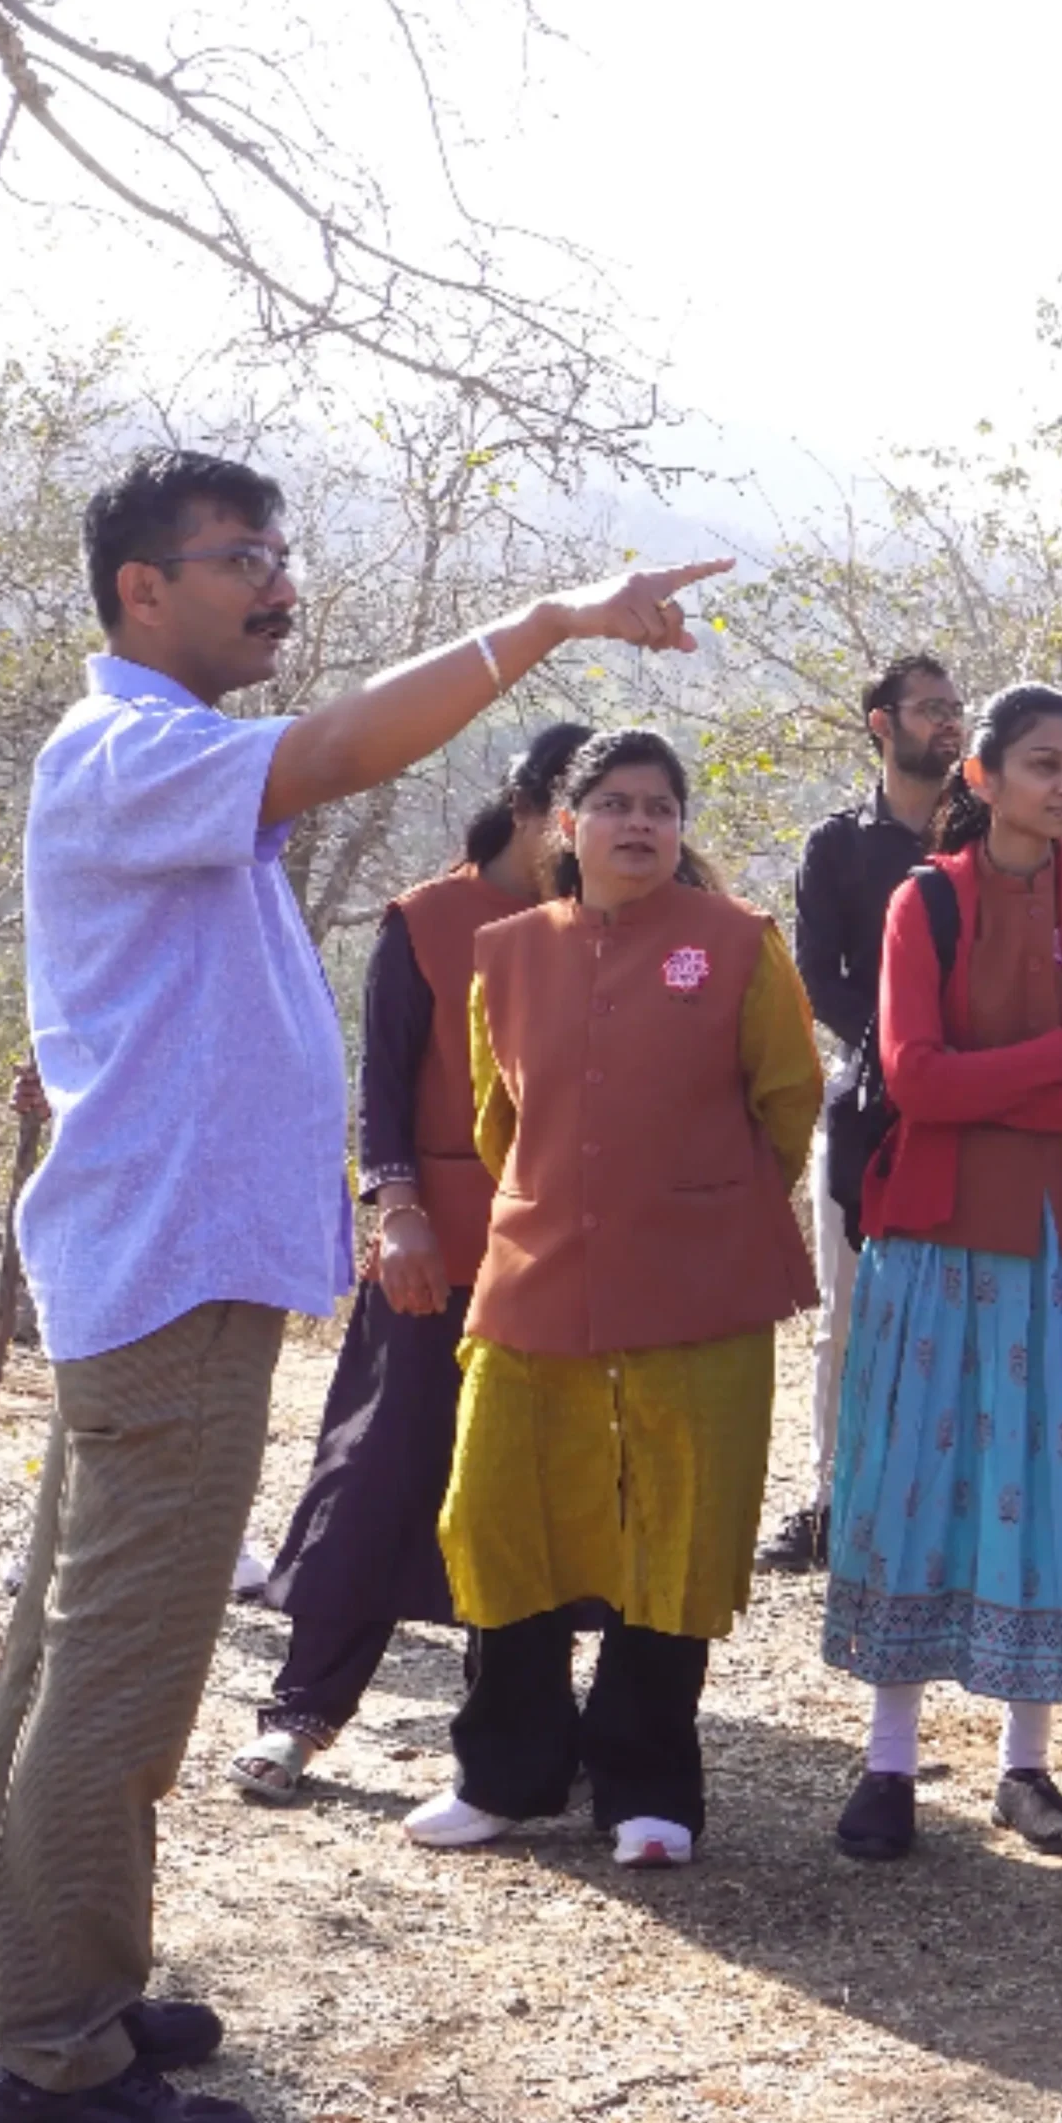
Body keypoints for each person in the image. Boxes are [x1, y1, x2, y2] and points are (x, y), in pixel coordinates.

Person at [0, 447, 725, 2123]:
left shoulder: (154, 758)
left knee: (64, 1651)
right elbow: (342, 748)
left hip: (156, 1263)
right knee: (123, 1681)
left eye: (282, 552)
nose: (277, 583)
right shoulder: (134, 747)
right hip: (167, 1275)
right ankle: (56, 2062)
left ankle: (31, 1981)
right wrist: (554, 621)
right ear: (142, 590)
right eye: (241, 558)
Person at [405, 729, 822, 1869]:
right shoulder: (505, 951)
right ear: (565, 824)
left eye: (661, 806)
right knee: (498, 1515)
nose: (640, 822)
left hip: (698, 1289)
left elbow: (787, 1101)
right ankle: (504, 1772)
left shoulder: (737, 943)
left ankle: (648, 1784)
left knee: (674, 1530)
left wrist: (696, 1205)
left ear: (681, 829)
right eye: (615, 802)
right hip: (535, 1278)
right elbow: (497, 1121)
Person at [822, 684, 1062, 1864]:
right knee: (917, 1486)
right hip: (935, 1235)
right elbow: (913, 1079)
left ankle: (1023, 1768)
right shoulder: (922, 903)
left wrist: (1005, 1078)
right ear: (979, 777)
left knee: (1039, 1480)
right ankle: (887, 1764)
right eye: (1043, 764)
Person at [227, 723, 592, 1805]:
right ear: (529, 807)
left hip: (564, 1251)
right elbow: (382, 1084)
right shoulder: (426, 922)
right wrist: (396, 1210)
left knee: (536, 1487)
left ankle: (523, 1733)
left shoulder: (597, 925)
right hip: (437, 1241)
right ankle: (299, 1713)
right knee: (381, 1468)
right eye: (573, 812)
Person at [764, 653, 963, 1572]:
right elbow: (818, 981)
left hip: (979, 1111)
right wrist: (904, 1052)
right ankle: (833, 1501)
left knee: (963, 1315)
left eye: (955, 708)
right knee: (847, 1317)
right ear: (881, 723)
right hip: (865, 1108)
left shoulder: (990, 835)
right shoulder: (835, 847)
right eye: (929, 709)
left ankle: (952, 1506)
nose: (948, 723)